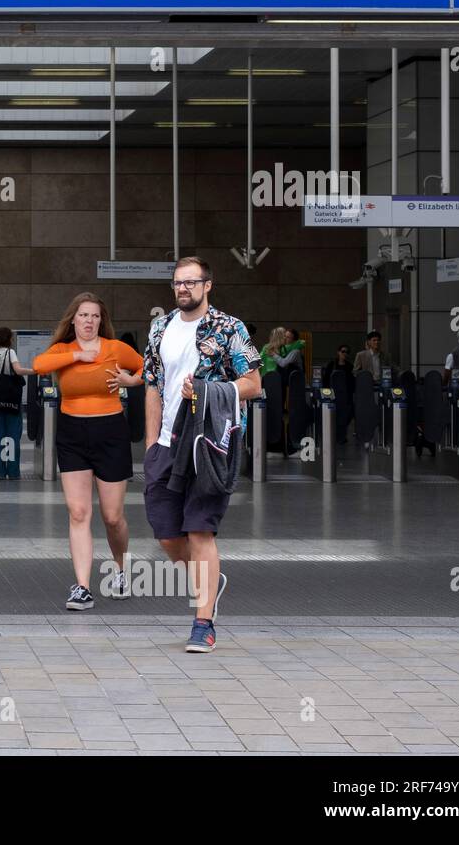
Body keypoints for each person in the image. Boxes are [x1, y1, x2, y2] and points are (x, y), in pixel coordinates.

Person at [141, 257, 262, 654]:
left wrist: (210, 391)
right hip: (166, 443)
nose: (183, 289)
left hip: (210, 441)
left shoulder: (230, 328)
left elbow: (253, 384)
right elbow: (153, 386)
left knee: (200, 530)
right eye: (178, 282)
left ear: (208, 285)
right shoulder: (160, 328)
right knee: (167, 535)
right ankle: (210, 582)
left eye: (191, 282)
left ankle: (203, 622)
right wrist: (150, 445)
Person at [31, 294, 143, 611]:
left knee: (112, 517)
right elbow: (40, 365)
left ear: (100, 321)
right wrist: (78, 356)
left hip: (110, 433)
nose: (89, 321)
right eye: (83, 315)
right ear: (73, 320)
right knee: (78, 512)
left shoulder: (115, 348)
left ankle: (120, 569)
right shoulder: (63, 351)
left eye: (94, 316)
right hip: (72, 434)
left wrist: (130, 381)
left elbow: (151, 367)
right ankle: (82, 587)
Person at [0, 327, 37, 479]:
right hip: (11, 402)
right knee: (13, 436)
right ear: (8, 339)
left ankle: (0, 472)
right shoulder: (9, 352)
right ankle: (13, 472)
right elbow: (18, 371)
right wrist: (35, 370)